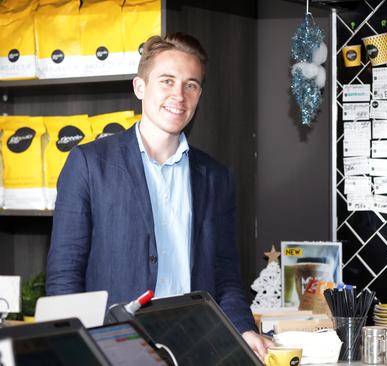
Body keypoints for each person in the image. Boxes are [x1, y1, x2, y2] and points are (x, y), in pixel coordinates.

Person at [45, 32, 273, 358]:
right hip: (113, 348)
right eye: (167, 81)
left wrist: (244, 328)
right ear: (140, 87)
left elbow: (225, 276)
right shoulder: (89, 164)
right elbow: (64, 276)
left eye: (191, 84)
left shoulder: (216, 177)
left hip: (194, 346)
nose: (179, 95)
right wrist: (75, 351)